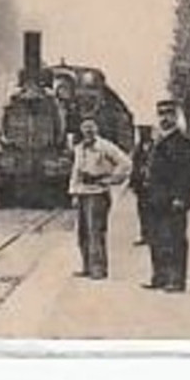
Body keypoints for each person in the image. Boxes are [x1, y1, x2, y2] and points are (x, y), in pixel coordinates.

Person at [141, 100, 190, 292]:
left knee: (174, 240)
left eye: (169, 114)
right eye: (161, 114)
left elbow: (187, 173)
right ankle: (160, 276)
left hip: (173, 201)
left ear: (176, 116)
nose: (164, 118)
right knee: (156, 239)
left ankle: (176, 280)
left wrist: (180, 197)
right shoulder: (156, 141)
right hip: (154, 200)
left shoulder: (184, 143)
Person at [68, 115, 132, 279]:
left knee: (95, 232)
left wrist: (111, 179)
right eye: (85, 127)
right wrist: (74, 193)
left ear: (97, 129)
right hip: (83, 192)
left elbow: (125, 163)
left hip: (98, 193)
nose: (88, 130)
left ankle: (98, 269)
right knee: (82, 233)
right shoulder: (79, 148)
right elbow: (75, 172)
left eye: (91, 127)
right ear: (81, 130)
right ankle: (87, 267)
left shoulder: (105, 146)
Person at [128, 124, 154, 245]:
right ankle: (145, 235)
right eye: (141, 132)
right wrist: (133, 182)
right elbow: (133, 166)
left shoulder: (157, 146)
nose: (144, 134)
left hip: (153, 184)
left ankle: (153, 234)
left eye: (146, 131)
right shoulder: (137, 149)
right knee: (142, 210)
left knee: (153, 210)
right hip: (141, 185)